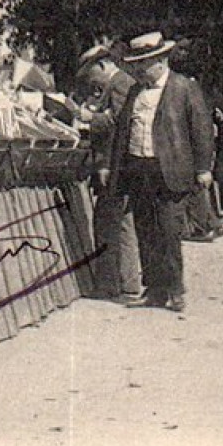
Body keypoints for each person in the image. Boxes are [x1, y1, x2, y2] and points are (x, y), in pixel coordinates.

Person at [98, 31, 214, 314]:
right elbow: (121, 131)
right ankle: (155, 290)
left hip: (172, 171)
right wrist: (109, 165)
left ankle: (175, 289)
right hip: (139, 169)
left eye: (144, 63)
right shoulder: (136, 91)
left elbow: (201, 130)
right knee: (145, 229)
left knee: (169, 231)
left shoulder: (184, 88)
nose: (138, 69)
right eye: (136, 64)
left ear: (161, 61)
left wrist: (203, 168)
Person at [74, 43, 142, 300]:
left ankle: (108, 285)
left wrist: (87, 117)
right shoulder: (119, 83)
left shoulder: (120, 83)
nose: (92, 82)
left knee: (107, 224)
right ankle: (129, 282)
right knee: (123, 224)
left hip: (114, 167)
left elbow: (117, 124)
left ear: (103, 66)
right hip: (115, 166)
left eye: (92, 75)